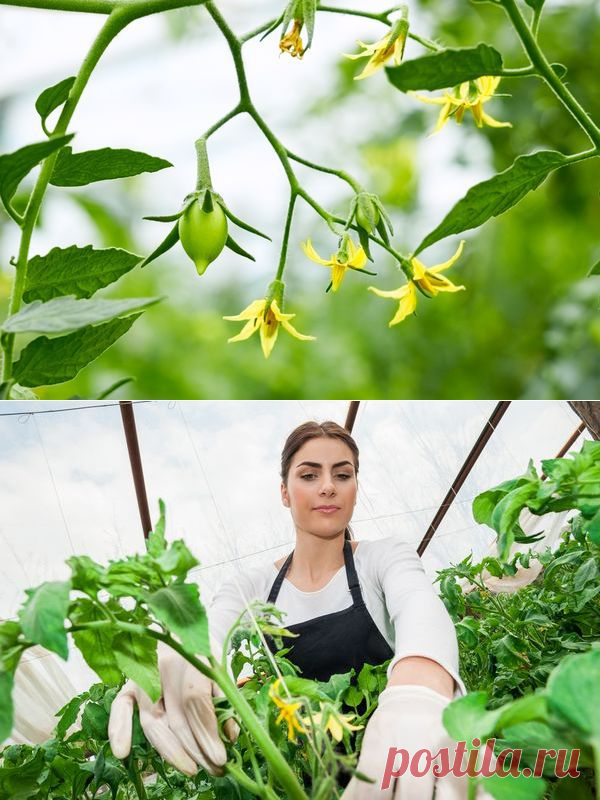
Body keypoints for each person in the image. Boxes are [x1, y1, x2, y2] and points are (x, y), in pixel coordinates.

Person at [108, 420, 469, 798]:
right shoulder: (253, 588)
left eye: (342, 474)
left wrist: (419, 693)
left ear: (355, 489)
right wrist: (182, 655)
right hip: (308, 783)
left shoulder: (383, 558)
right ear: (285, 492)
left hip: (407, 765)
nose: (328, 485)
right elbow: (210, 630)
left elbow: (419, 607)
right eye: (310, 475)